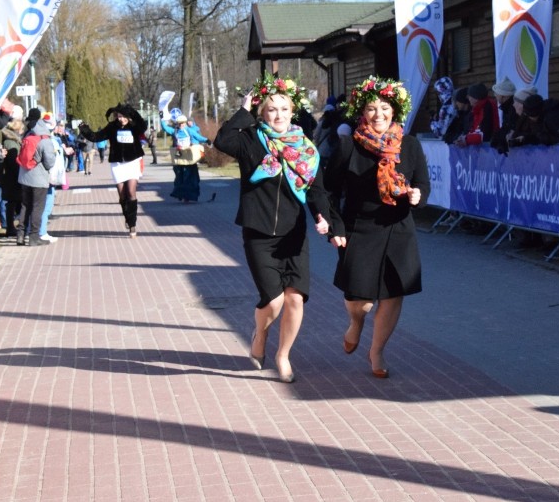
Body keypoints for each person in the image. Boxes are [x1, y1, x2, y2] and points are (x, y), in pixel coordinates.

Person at [213, 73, 331, 384]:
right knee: (274, 300)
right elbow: (222, 140)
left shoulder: (304, 148)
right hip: (258, 232)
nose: (278, 115)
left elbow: (316, 189)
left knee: (295, 299)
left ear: (293, 111)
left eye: (284, 108)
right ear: (262, 112)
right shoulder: (251, 139)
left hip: (293, 234)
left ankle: (283, 355)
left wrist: (321, 216)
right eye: (271, 109)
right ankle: (259, 337)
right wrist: (244, 109)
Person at [324, 76, 430, 379]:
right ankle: (356, 323)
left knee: (394, 293)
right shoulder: (348, 146)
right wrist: (335, 227)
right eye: (371, 108)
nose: (379, 114)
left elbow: (422, 182)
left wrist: (417, 195)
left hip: (398, 228)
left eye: (384, 107)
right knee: (361, 299)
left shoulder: (408, 145)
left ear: (394, 110)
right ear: (362, 112)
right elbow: (329, 190)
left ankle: (377, 350)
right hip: (360, 226)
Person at [78, 104, 147, 237]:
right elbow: (96, 137)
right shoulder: (112, 127)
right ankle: (127, 216)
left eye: (123, 116)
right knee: (122, 195)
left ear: (128, 116)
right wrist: (84, 129)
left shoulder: (134, 127)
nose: (121, 119)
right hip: (117, 164)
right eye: (119, 117)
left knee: (131, 192)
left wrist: (133, 112)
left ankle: (132, 224)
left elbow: (143, 125)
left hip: (132, 162)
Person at [15, 117, 56, 247]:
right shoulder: (45, 141)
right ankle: (34, 236)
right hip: (38, 180)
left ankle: (20, 235)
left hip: (24, 178)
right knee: (38, 207)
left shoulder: (27, 137)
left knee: (25, 206)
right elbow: (50, 162)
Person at [161, 114, 209, 203]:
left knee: (190, 177)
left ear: (185, 123)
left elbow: (198, 137)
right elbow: (165, 128)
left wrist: (207, 140)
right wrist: (162, 119)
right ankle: (180, 194)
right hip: (179, 158)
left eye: (182, 123)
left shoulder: (189, 131)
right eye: (179, 124)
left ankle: (188, 196)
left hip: (189, 159)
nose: (181, 125)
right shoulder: (175, 131)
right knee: (180, 177)